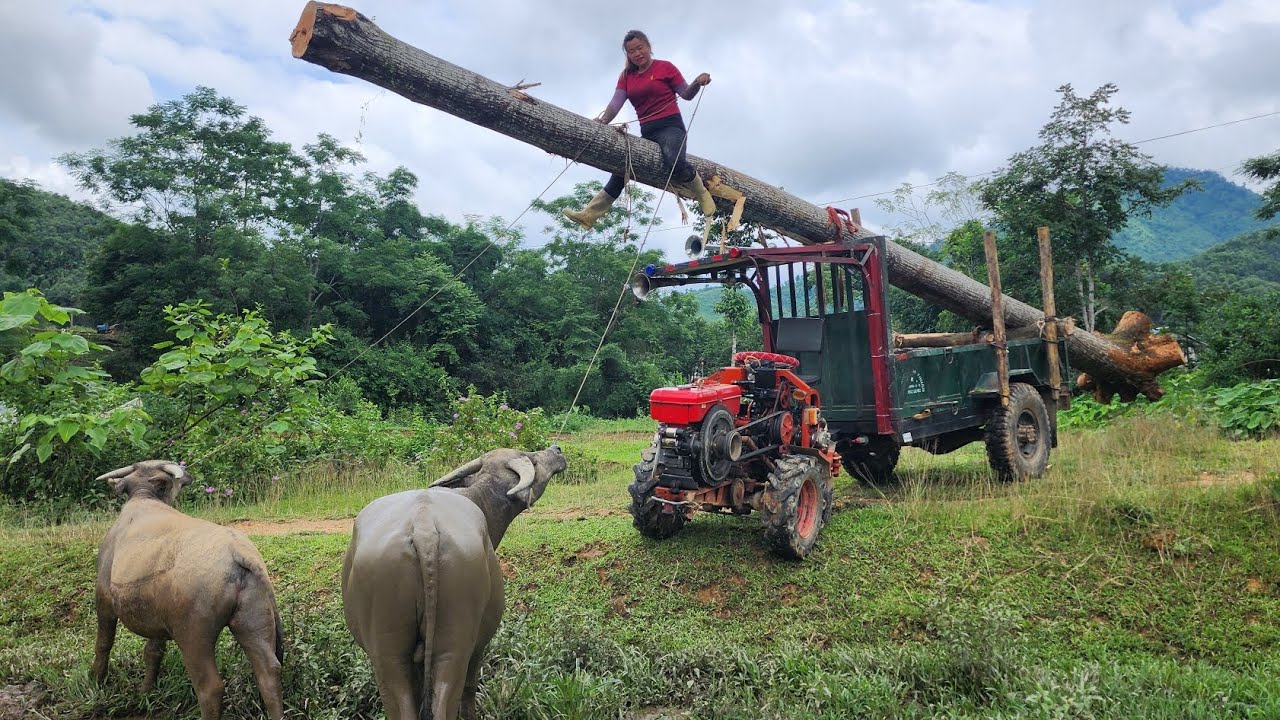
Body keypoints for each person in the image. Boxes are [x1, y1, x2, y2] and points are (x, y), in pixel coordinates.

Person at [564, 30, 717, 229]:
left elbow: (686, 94)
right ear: (627, 55)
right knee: (623, 167)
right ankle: (589, 215)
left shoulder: (665, 67)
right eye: (631, 51)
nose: (637, 53)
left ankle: (702, 193)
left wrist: (697, 81)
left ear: (648, 46)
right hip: (648, 133)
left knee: (674, 161)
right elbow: (615, 103)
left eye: (640, 48)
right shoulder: (627, 77)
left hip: (671, 128)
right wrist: (603, 121)